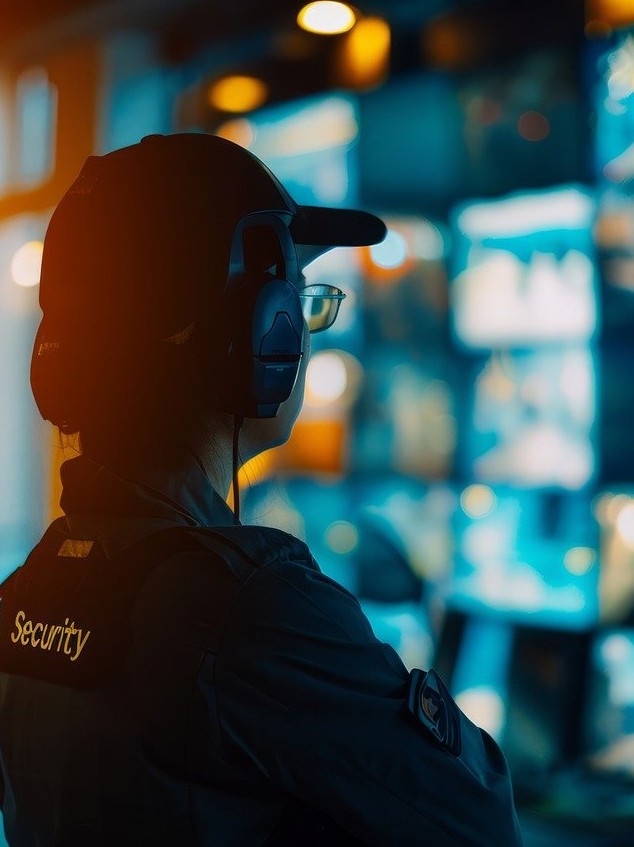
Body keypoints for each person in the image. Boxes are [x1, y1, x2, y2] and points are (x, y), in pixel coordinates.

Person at [0, 133, 522, 846]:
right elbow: (479, 815)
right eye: (300, 303)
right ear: (258, 335)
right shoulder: (251, 607)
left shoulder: (35, 584)